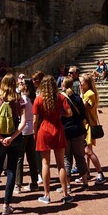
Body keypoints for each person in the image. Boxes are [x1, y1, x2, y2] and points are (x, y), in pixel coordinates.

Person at [0, 73, 26, 215]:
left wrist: (0, 138)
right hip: (14, 139)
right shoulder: (19, 99)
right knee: (11, 170)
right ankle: (6, 205)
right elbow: (23, 122)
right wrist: (12, 137)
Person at [33, 74, 73, 205]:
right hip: (57, 128)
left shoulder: (38, 99)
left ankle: (47, 194)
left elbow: (35, 120)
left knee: (45, 163)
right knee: (61, 163)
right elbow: (69, 113)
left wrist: (35, 133)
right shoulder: (60, 97)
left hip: (44, 129)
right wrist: (60, 113)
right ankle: (66, 194)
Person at [60, 76, 88, 192]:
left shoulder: (60, 98)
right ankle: (85, 182)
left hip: (65, 131)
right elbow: (83, 117)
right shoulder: (77, 98)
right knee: (80, 157)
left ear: (63, 85)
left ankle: (68, 186)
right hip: (77, 130)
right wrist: (84, 130)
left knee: (66, 159)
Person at [79, 73, 106, 185]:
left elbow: (81, 106)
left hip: (88, 126)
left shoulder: (89, 94)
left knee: (88, 151)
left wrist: (80, 94)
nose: (79, 84)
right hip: (87, 125)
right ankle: (87, 172)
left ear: (87, 83)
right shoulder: (88, 93)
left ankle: (100, 173)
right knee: (86, 152)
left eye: (81, 82)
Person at [14, 76, 39, 193]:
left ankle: (17, 184)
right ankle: (34, 182)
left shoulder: (22, 99)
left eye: (22, 83)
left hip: (23, 129)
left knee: (19, 157)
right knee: (31, 157)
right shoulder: (33, 98)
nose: (20, 83)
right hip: (31, 129)